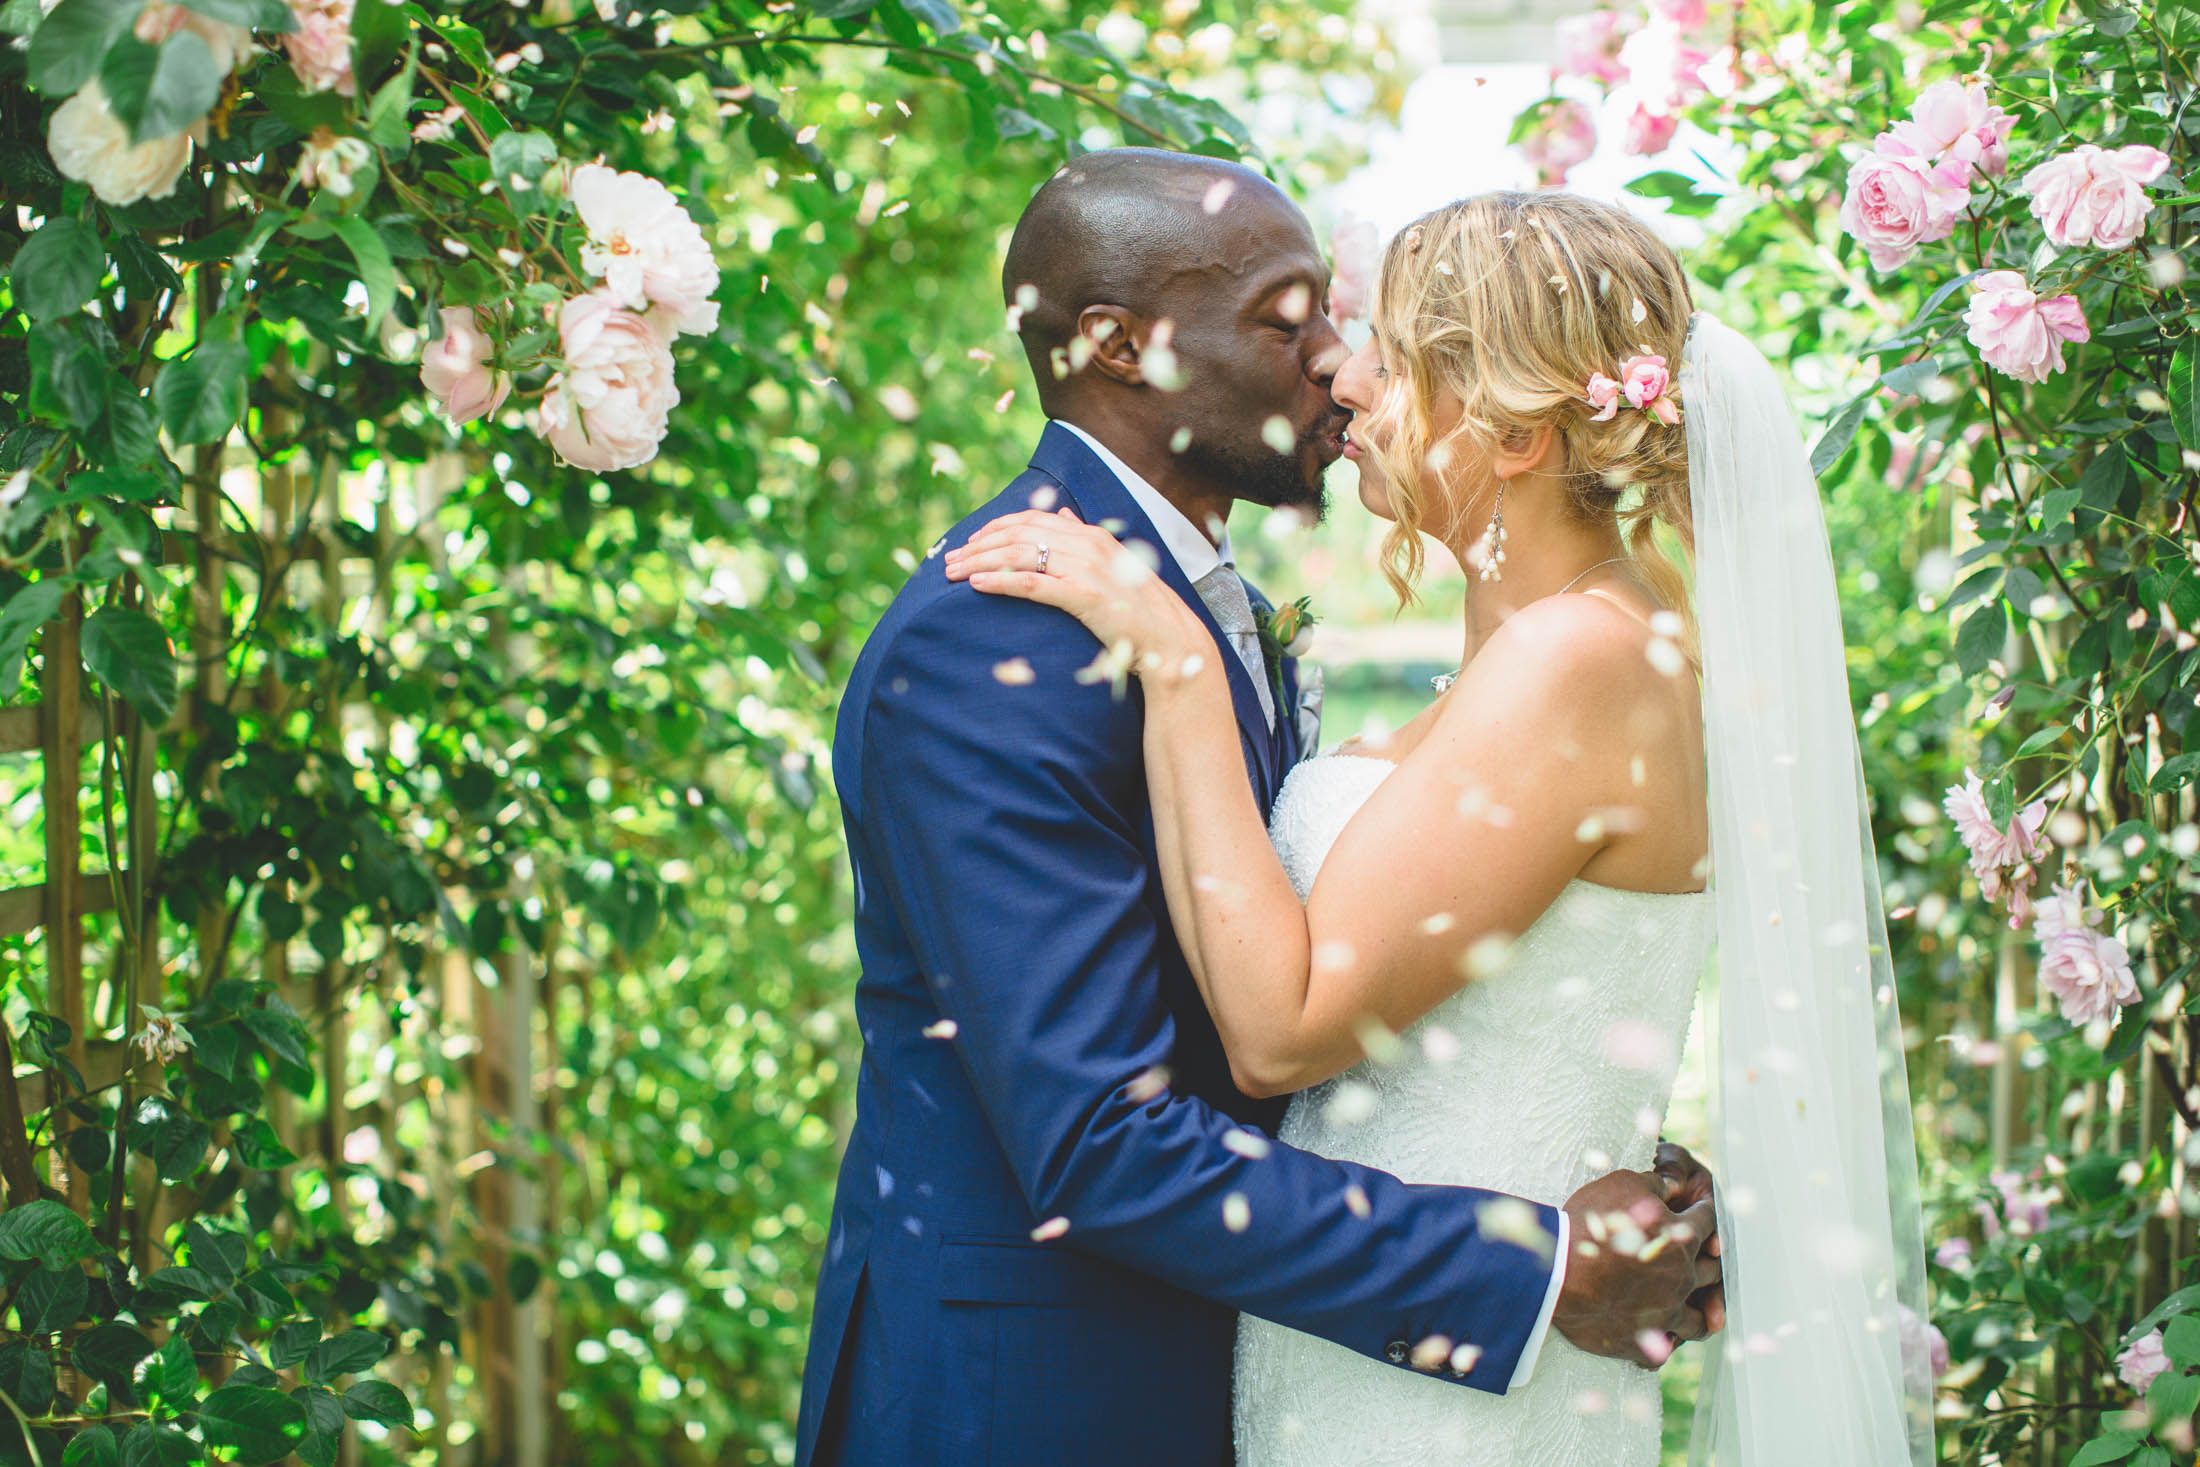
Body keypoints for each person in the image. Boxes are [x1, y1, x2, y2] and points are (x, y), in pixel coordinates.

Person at [947, 190, 1935, 1464]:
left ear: (1515, 437)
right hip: (1399, 1337)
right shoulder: (1554, 652)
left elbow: (1283, 1030)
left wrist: (1179, 671)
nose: (1344, 383)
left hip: (1451, 1402)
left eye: (1392, 355)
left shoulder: (1579, 659)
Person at [795, 154, 1723, 1467]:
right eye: (1292, 319)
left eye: (1363, 337)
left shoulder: (1203, 608)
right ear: (1118, 344)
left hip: (1313, 1370)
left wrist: (1597, 1128)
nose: (1337, 367)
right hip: (1041, 1405)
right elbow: (1102, 1137)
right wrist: (1545, 1257)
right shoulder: (997, 634)